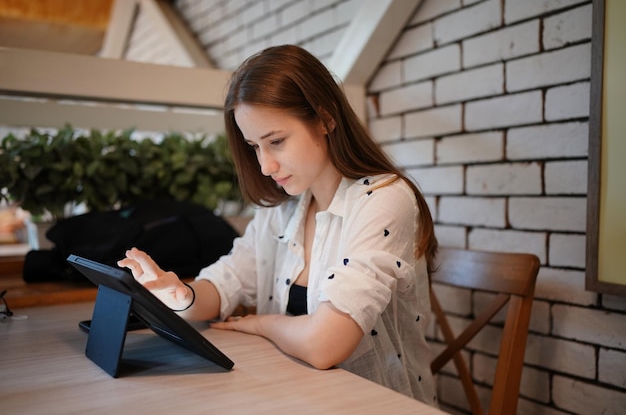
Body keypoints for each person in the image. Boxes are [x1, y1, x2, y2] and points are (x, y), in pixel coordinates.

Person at [118, 44, 438, 406]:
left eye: (276, 142)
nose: (265, 166)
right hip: (298, 397)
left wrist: (260, 324)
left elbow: (323, 345)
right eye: (254, 146)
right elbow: (227, 282)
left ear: (325, 119)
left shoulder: (384, 199)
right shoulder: (282, 208)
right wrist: (177, 292)